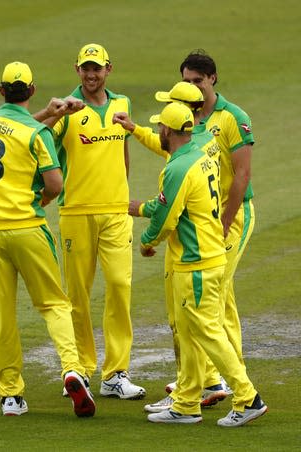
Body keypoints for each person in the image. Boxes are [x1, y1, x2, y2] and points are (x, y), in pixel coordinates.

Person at [0, 61, 95, 418]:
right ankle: (72, 368)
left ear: (0, 91)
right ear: (32, 90)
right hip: (27, 228)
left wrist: (48, 115)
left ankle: (11, 394)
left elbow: (13, 132)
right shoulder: (37, 135)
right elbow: (55, 184)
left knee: (1, 313)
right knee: (54, 304)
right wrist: (37, 198)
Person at [139, 102, 267, 427]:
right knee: (189, 330)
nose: (158, 132)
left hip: (195, 262)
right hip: (201, 258)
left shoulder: (179, 167)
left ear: (168, 130)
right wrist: (141, 208)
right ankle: (185, 403)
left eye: (159, 128)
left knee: (207, 331)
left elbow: (168, 219)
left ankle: (247, 396)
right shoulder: (200, 154)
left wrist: (146, 242)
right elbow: (174, 201)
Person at [113, 82, 231, 411]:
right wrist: (135, 129)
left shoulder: (185, 158)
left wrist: (148, 231)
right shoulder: (204, 139)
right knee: (198, 321)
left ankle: (199, 387)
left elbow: (170, 208)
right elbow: (166, 149)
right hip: (205, 239)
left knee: (184, 322)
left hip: (188, 245)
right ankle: (198, 384)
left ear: (180, 114)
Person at [47, 43, 145, 399]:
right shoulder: (68, 109)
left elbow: (123, 152)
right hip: (75, 212)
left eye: (97, 69)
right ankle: (82, 370)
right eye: (85, 69)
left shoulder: (123, 105)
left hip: (116, 213)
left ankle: (116, 373)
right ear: (77, 69)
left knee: (120, 286)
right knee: (78, 296)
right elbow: (39, 138)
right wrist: (54, 114)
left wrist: (122, 194)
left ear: (108, 69)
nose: (91, 75)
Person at [180, 49, 255, 375]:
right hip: (204, 220)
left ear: (212, 79)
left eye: (198, 81)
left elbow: (242, 174)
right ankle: (223, 374)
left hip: (234, 215)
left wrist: (225, 222)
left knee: (212, 295)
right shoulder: (186, 116)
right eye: (187, 81)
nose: (194, 88)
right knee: (222, 297)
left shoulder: (233, 117)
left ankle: (212, 379)